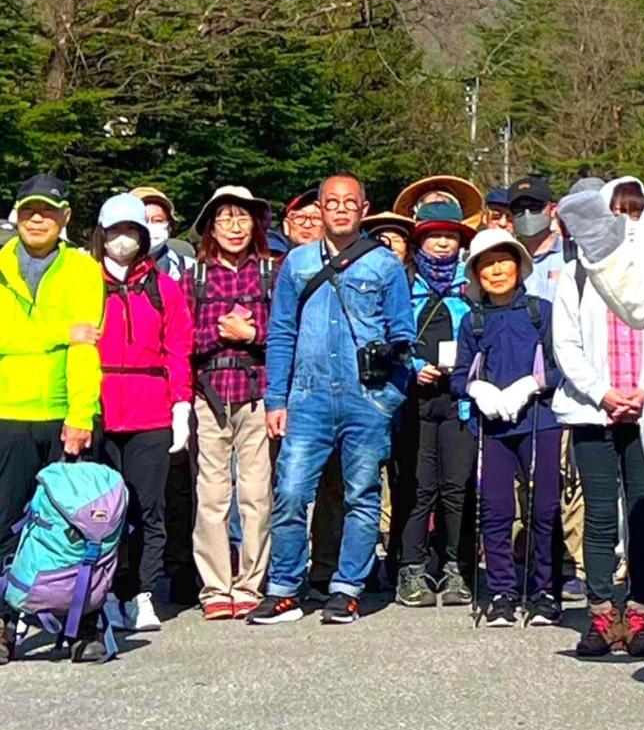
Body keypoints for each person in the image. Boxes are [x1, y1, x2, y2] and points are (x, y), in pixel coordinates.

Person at [252, 174, 416, 627]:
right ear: (319, 210)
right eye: (331, 202)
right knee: (288, 493)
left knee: (361, 496)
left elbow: (404, 337)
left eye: (350, 202)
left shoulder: (384, 266)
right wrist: (275, 399)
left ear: (364, 209)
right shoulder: (298, 264)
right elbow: (281, 332)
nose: (340, 209)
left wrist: (387, 398)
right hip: (307, 399)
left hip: (367, 400)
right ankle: (284, 586)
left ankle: (347, 588)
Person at [553, 177, 644, 656]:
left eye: (635, 211)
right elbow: (566, 345)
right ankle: (600, 613)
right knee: (599, 515)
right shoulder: (577, 274)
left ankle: (641, 613)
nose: (627, 221)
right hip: (592, 411)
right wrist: (603, 393)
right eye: (617, 211)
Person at [0, 174, 105, 663]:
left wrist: (80, 414)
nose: (36, 218)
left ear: (65, 217)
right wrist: (60, 330)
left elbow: (86, 349)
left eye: (46, 210)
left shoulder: (83, 270)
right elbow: (72, 334)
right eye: (27, 210)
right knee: (4, 525)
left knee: (80, 526)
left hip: (67, 411)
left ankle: (81, 621)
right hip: (8, 414)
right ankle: (4, 624)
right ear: (15, 215)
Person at [88, 193, 196, 636]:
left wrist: (181, 405)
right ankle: (107, 593)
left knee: (149, 507)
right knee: (103, 513)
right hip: (99, 409)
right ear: (101, 235)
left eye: (131, 232)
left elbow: (179, 348)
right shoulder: (85, 282)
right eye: (115, 232)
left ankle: (143, 593)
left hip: (150, 407)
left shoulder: (163, 287)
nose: (123, 241)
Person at [454, 228, 563, 628]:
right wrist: (475, 387)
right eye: (487, 263)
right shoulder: (473, 321)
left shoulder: (541, 311)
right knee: (496, 510)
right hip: (493, 427)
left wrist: (533, 384)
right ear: (476, 273)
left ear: (519, 265)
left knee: (545, 507)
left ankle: (543, 592)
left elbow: (560, 365)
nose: (497, 270)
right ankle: (502, 591)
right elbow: (459, 375)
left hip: (540, 421)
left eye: (504, 260)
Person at [187, 186, 279, 620]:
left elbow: (284, 335)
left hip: (257, 393)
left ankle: (250, 583)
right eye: (225, 218)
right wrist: (219, 334)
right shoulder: (196, 277)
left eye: (242, 218)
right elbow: (180, 337)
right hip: (207, 392)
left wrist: (252, 336)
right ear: (210, 227)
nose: (235, 226)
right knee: (212, 495)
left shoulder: (271, 274)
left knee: (257, 494)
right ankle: (214, 587)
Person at [394, 200, 477, 609]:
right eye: (434, 236)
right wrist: (415, 366)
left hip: (461, 400)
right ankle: (411, 568)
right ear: (419, 240)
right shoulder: (403, 282)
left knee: (457, 487)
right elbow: (391, 335)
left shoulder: (473, 283)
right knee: (417, 487)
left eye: (450, 236)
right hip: (415, 400)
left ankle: (456, 568)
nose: (442, 243)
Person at [506, 177, 565, 302]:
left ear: (553, 209)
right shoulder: (507, 260)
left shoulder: (573, 254)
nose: (527, 214)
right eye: (518, 209)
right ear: (511, 215)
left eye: (535, 206)